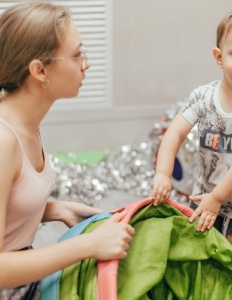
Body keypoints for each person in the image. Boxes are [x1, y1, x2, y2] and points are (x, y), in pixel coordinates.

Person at [0, 2, 134, 299]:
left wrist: (55, 209)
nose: (86, 63)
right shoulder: (3, 140)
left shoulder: (27, 122)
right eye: (76, 55)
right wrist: (86, 245)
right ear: (40, 70)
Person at [152, 6, 232, 293]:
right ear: (219, 57)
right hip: (207, 188)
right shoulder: (204, 96)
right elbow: (175, 132)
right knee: (203, 241)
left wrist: (218, 198)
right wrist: (163, 173)